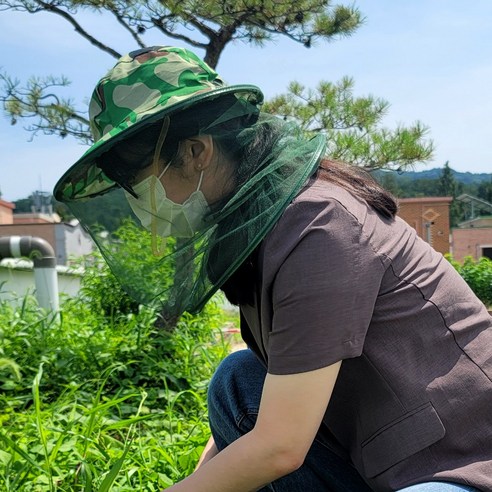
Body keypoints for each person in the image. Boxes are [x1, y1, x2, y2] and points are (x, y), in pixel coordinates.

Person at [54, 46, 492, 491]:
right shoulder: (257, 227)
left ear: (195, 150)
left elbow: (279, 445)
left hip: (463, 456)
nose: (135, 203)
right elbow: (271, 411)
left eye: (137, 182)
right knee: (239, 382)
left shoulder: (319, 224)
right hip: (381, 447)